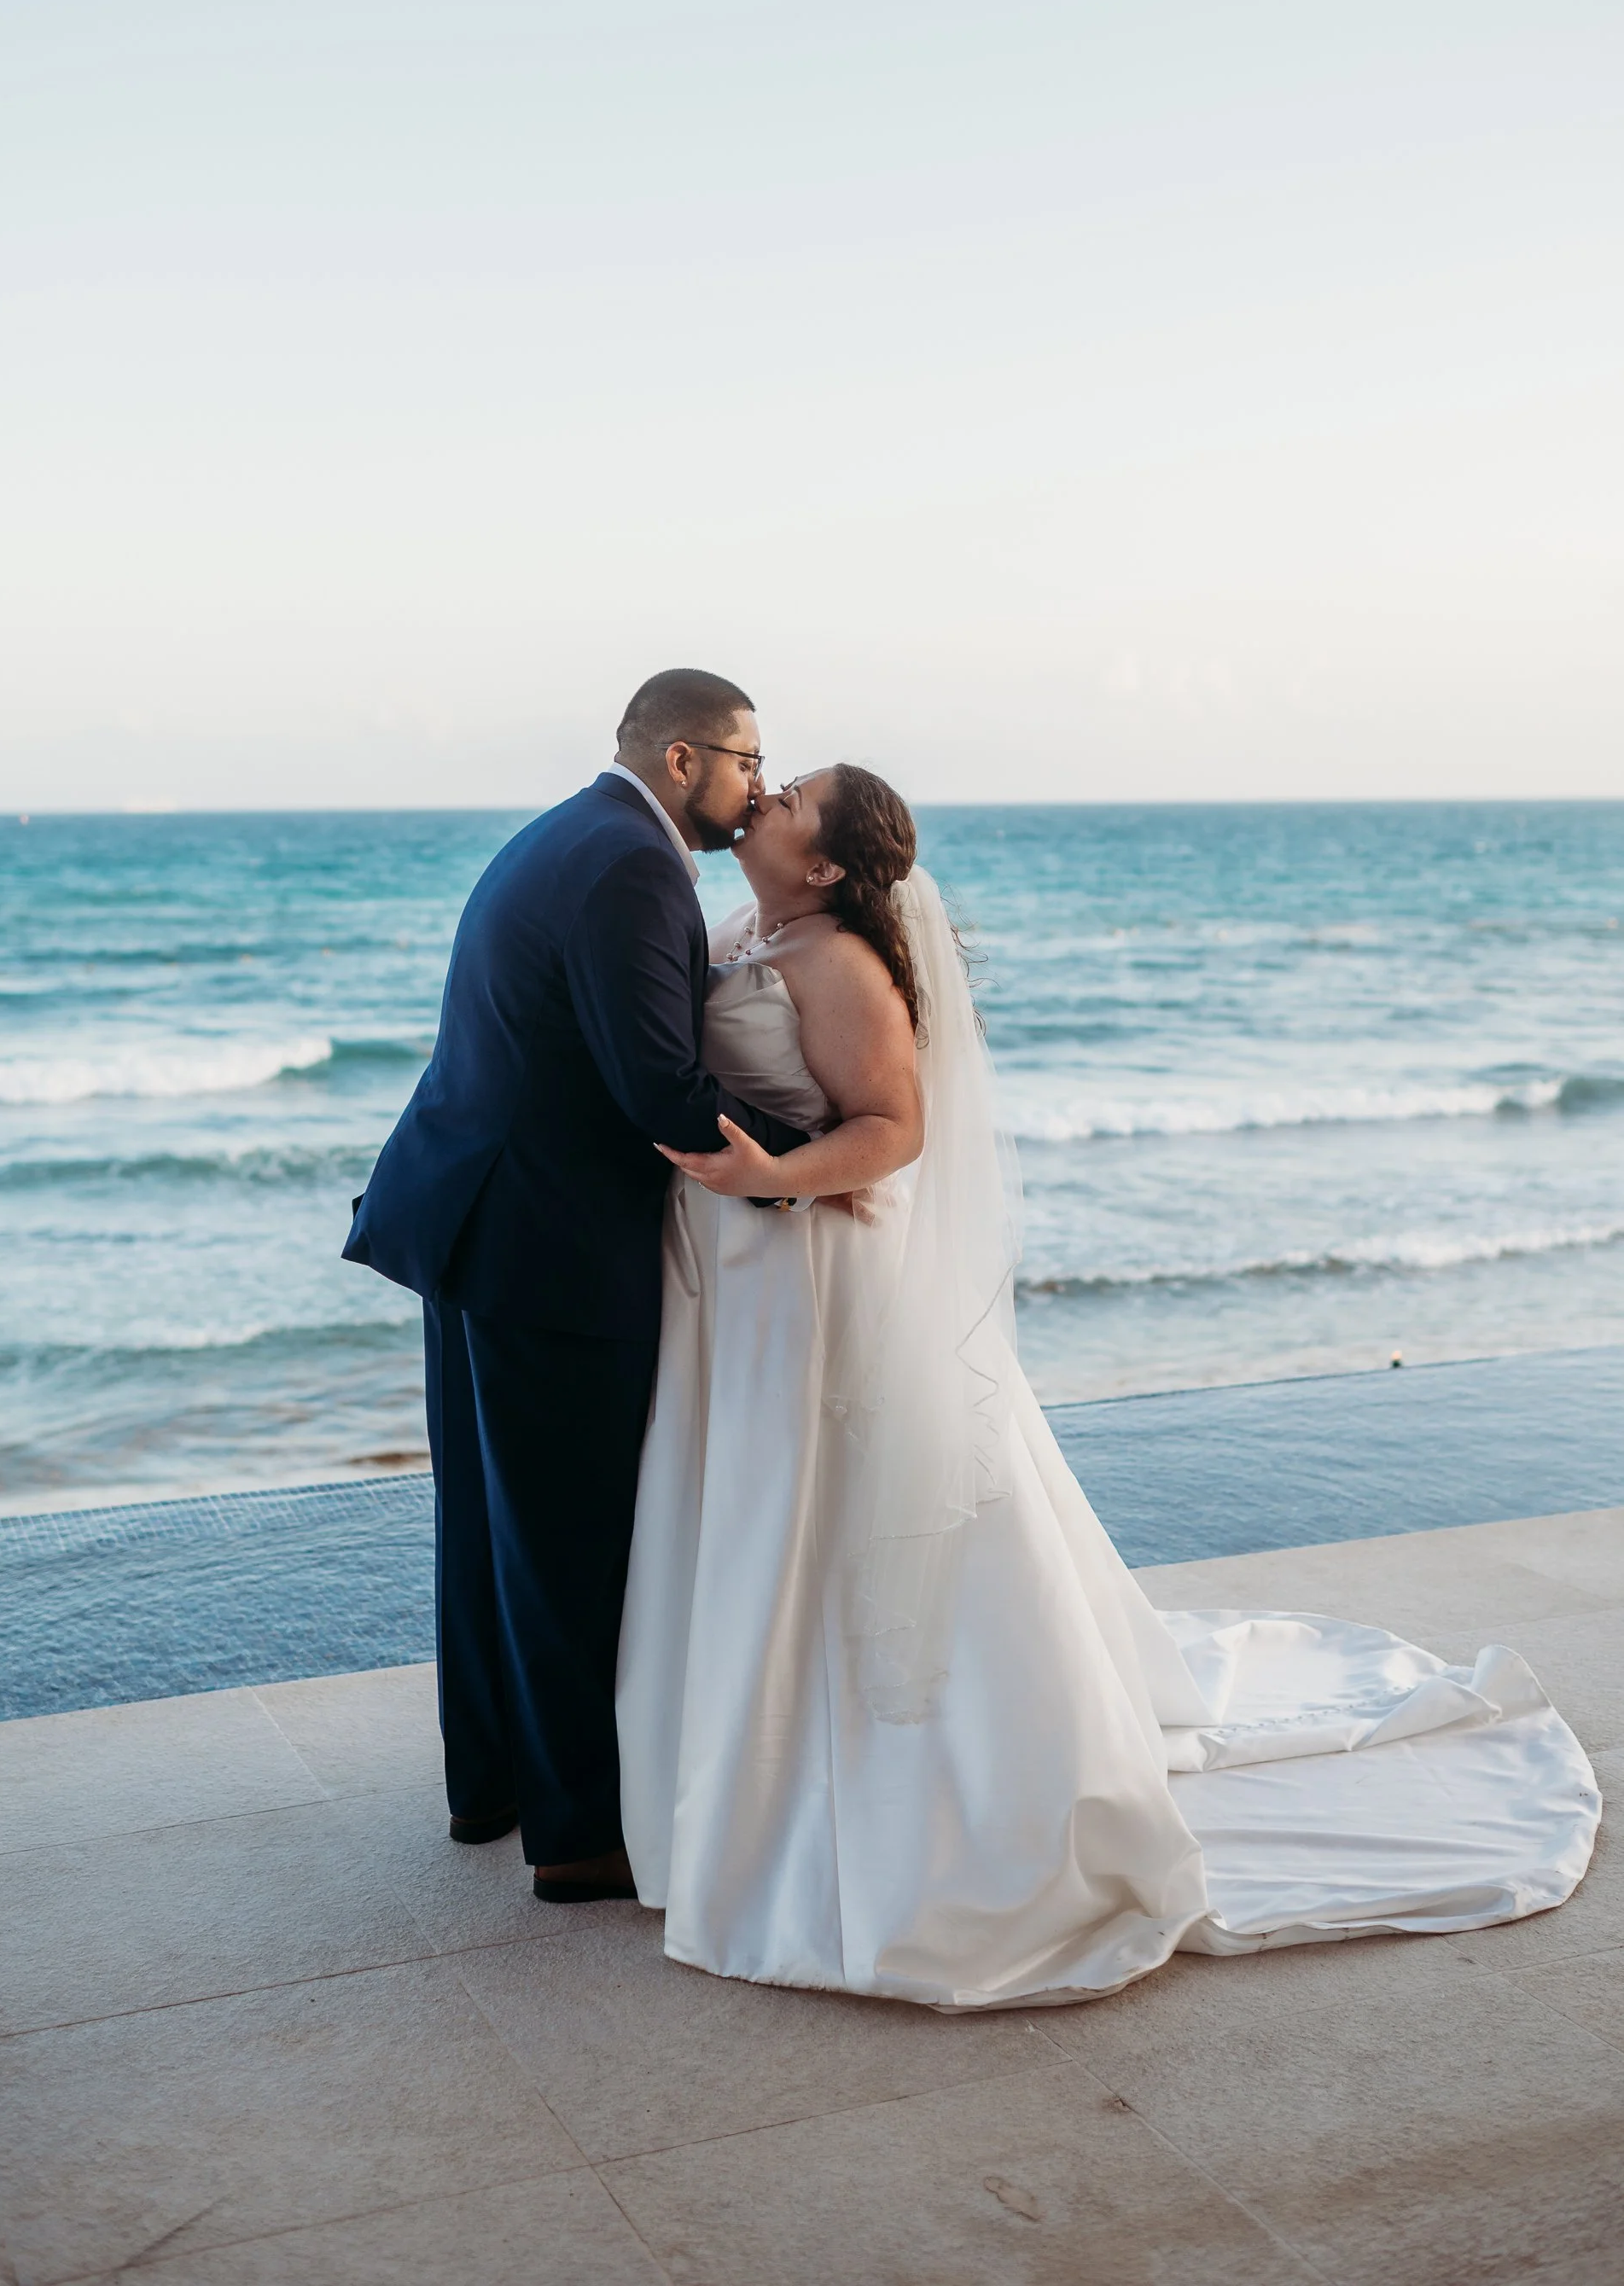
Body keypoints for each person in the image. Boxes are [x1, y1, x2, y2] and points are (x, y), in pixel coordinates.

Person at [615, 765, 1600, 2004]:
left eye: (795, 795)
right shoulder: (753, 926)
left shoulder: (844, 965)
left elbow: (896, 1127)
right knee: (764, 1512)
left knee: (826, 1509)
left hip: (815, 1270)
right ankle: (740, 1765)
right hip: (749, 1280)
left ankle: (892, 1788)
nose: (771, 795)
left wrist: (776, 1176)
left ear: (821, 864)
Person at [343, 671, 808, 1901]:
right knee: (563, 1542)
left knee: (491, 1532)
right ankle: (573, 1840)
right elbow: (655, 1087)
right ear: (681, 762)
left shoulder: (577, 834)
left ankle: (490, 1787)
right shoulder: (633, 866)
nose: (759, 784)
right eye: (747, 760)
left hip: (474, 1219)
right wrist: (814, 1160)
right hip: (536, 1243)